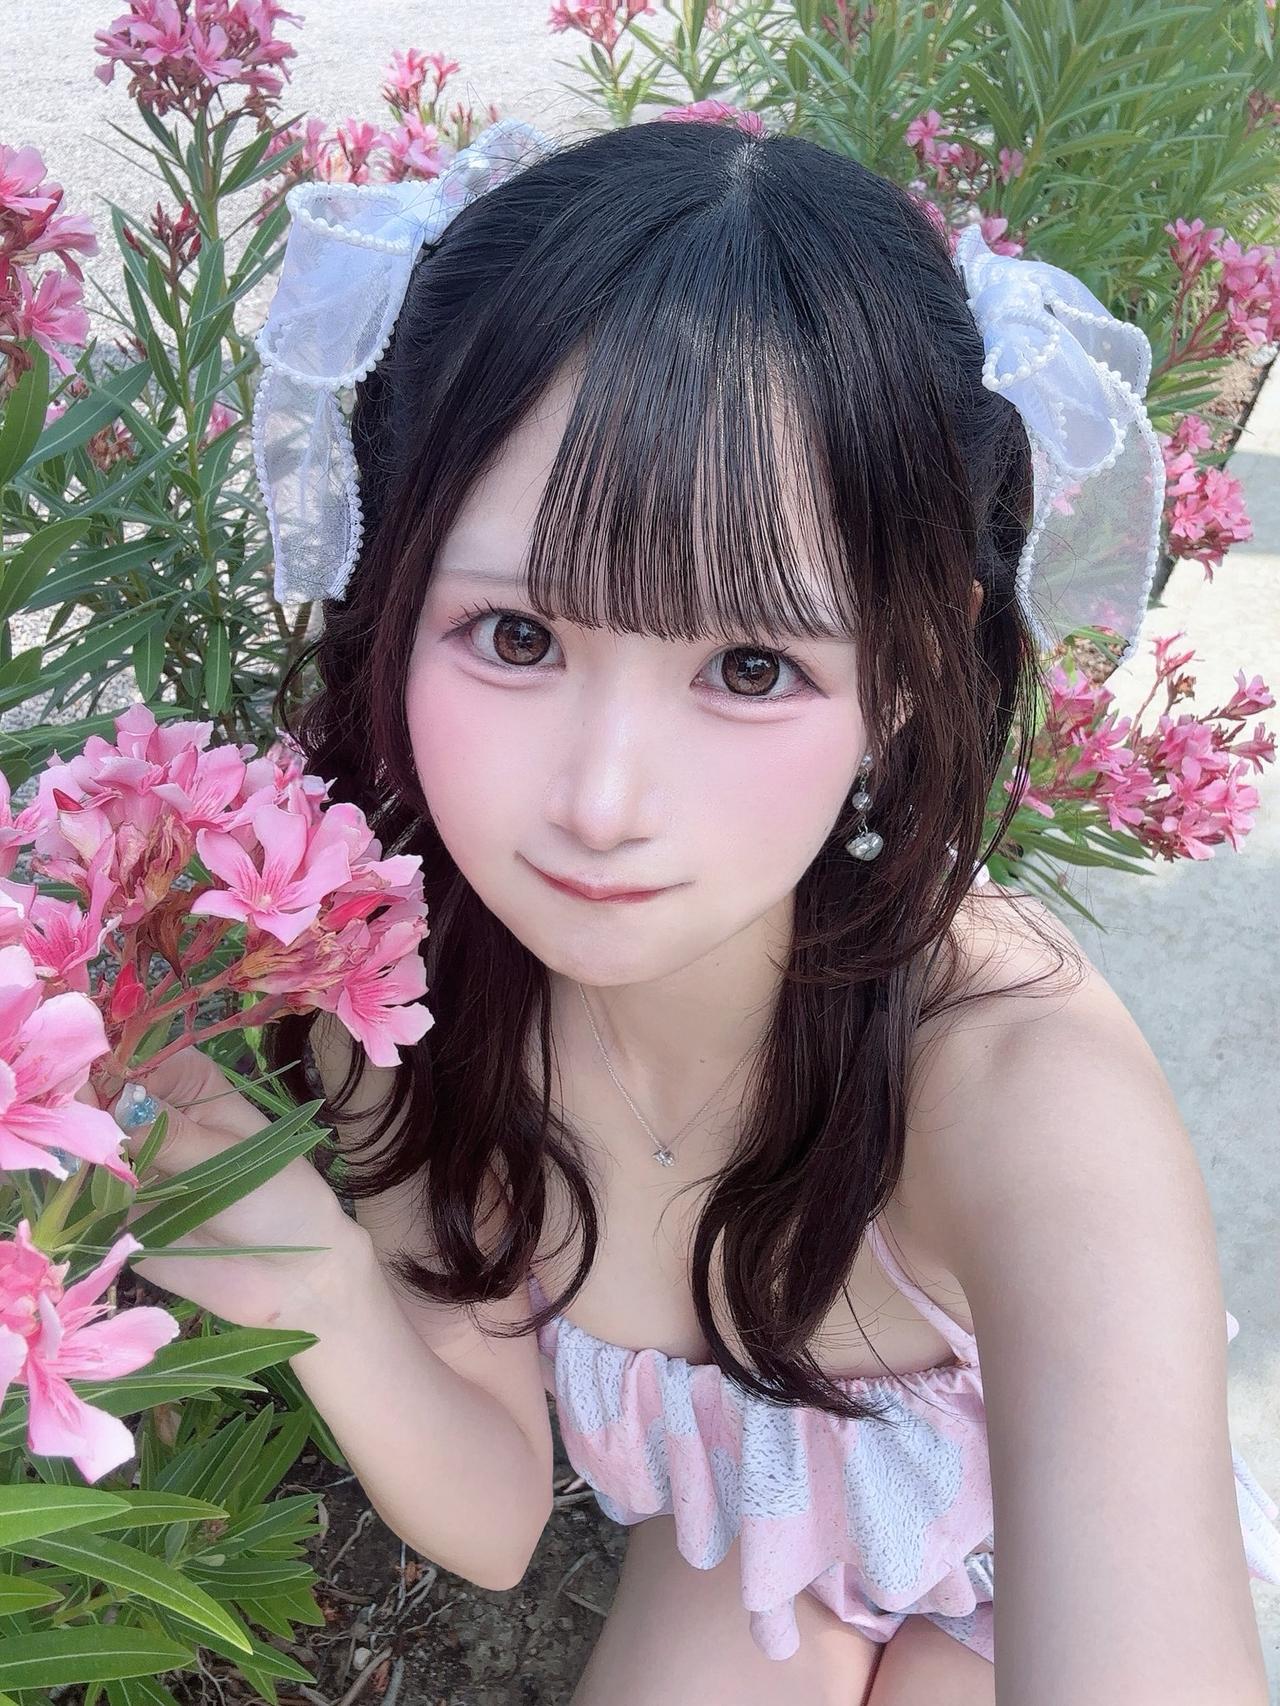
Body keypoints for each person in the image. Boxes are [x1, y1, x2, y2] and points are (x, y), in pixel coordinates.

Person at [106, 118, 1280, 1704]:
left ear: (906, 674)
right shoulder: (398, 992)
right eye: (517, 635)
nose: (602, 799)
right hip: (757, 1516)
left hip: (1016, 1556)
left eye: (748, 665)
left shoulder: (1028, 1096)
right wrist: (314, 1284)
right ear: (393, 583)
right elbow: (496, 1510)